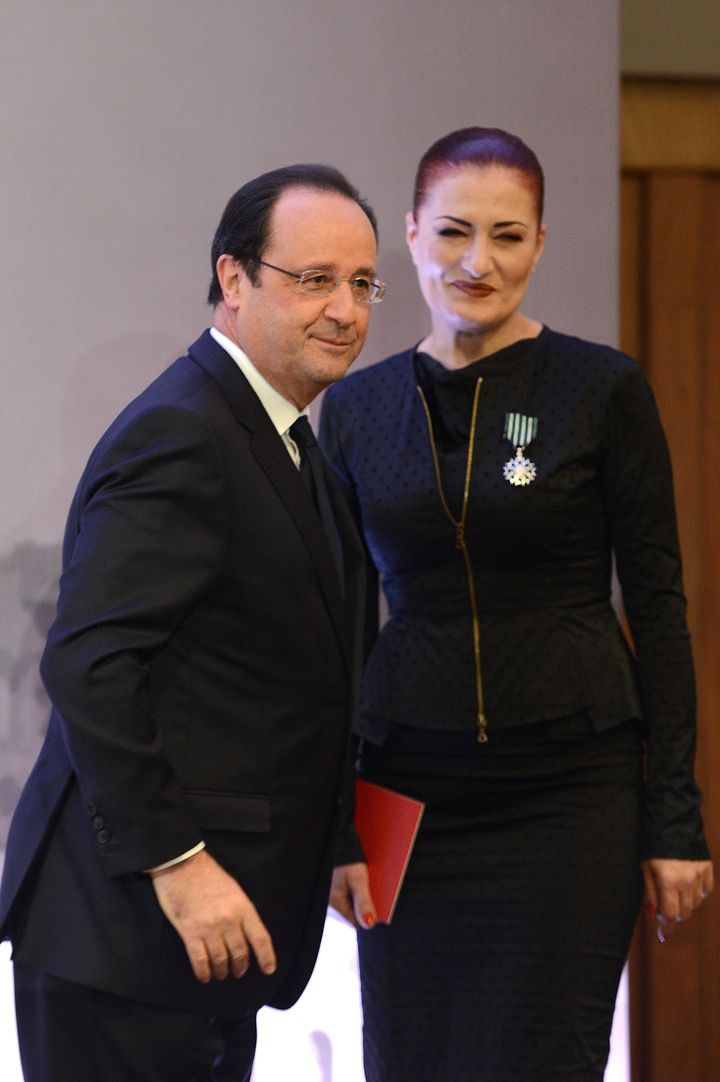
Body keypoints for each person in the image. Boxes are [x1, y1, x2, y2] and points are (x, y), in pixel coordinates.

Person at [320, 127, 713, 1082]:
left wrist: (676, 821)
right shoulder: (359, 407)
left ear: (540, 244)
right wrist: (335, 822)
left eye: (507, 235)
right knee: (411, 1060)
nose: (476, 261)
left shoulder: (600, 389)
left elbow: (658, 605)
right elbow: (335, 629)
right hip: (407, 791)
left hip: (572, 791)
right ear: (409, 236)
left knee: (546, 1060)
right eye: (453, 231)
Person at [0, 163, 384, 1081]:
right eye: (313, 279)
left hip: (206, 945)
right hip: (128, 930)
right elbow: (91, 664)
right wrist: (179, 863)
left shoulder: (287, 441)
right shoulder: (184, 430)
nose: (344, 308)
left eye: (362, 284)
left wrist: (334, 841)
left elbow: (273, 676)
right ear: (234, 278)